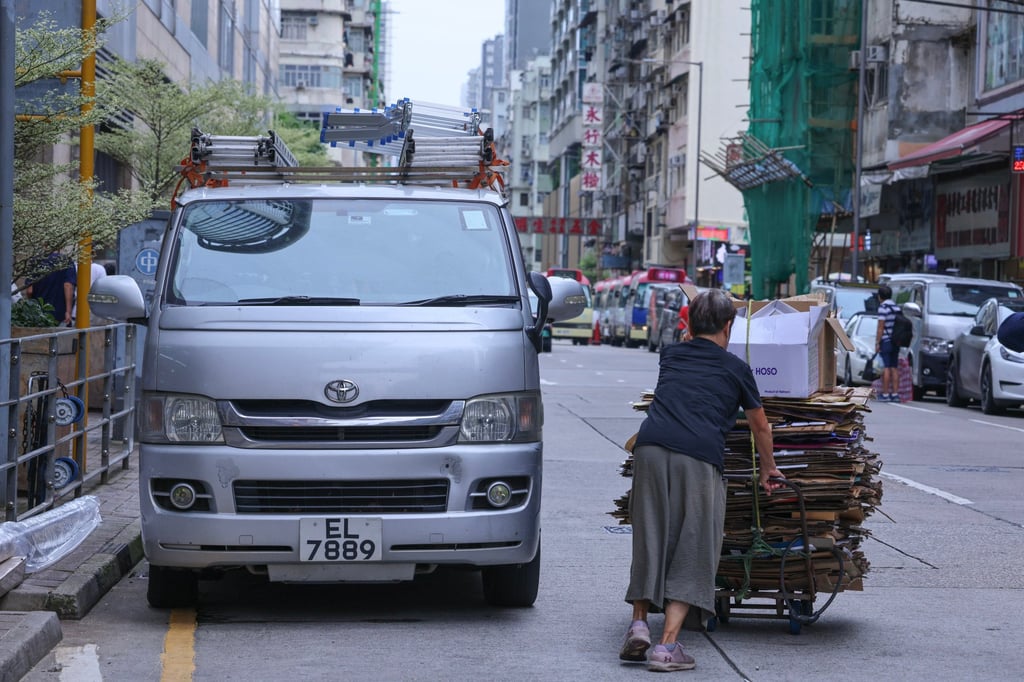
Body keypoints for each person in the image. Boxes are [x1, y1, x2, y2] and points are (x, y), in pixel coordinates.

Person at [620, 289, 782, 672]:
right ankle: (667, 647)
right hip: (698, 457)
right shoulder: (736, 368)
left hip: (651, 447)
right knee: (694, 545)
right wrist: (767, 468)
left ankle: (639, 624)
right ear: (729, 327)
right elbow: (760, 425)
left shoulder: (671, 355)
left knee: (650, 538)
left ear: (689, 326)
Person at [24, 253, 76, 327]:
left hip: (38, 313)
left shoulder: (35, 261)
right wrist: (68, 311)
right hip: (59, 313)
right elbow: (68, 286)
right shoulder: (66, 261)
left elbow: (30, 291)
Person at [874, 285, 900, 402]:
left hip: (886, 340)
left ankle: (885, 394)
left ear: (880, 296)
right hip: (896, 341)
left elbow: (880, 327)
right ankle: (895, 394)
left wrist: (877, 342)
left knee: (886, 367)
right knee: (894, 367)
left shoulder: (883, 308)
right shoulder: (897, 308)